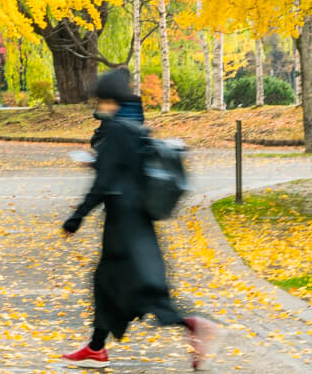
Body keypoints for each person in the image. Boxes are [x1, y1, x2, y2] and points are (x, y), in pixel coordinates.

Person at [59, 68, 218, 367]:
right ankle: (96, 348)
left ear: (107, 98)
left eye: (100, 98)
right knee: (110, 285)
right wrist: (99, 165)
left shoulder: (116, 131)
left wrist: (76, 218)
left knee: (137, 290)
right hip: (136, 220)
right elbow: (125, 172)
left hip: (122, 225)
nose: (98, 104)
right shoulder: (132, 128)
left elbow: (104, 183)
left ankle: (193, 325)